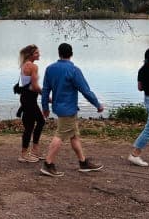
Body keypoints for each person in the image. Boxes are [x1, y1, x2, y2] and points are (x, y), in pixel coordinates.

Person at [39, 43, 104, 177]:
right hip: (68, 110)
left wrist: (45, 107)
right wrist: (97, 104)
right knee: (60, 136)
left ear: (59, 53)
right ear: (71, 54)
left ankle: (83, 162)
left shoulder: (50, 69)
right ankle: (48, 164)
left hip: (59, 108)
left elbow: (45, 90)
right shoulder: (74, 70)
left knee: (74, 135)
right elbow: (85, 91)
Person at [17, 44, 45, 163]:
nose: (39, 55)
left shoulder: (24, 65)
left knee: (40, 121)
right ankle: (23, 154)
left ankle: (34, 150)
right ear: (30, 55)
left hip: (27, 98)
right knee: (30, 126)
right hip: (29, 99)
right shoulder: (33, 66)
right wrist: (46, 96)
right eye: (36, 53)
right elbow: (35, 86)